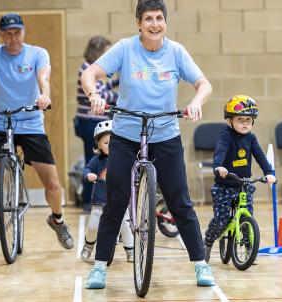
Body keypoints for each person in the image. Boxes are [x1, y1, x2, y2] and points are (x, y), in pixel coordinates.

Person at [81, 0, 215, 289]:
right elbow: (88, 74)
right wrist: (94, 95)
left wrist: (194, 103)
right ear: (138, 24)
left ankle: (201, 264)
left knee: (180, 201)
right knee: (115, 201)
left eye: (159, 18)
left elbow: (204, 84)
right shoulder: (125, 48)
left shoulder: (176, 52)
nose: (154, 24)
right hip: (127, 134)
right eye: (148, 19)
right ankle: (100, 267)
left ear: (165, 21)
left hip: (165, 133)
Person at [0, 13, 73, 253]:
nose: (13, 38)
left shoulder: (37, 54)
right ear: (1, 35)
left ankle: (57, 220)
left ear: (24, 32)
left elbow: (44, 78)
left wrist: (44, 96)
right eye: (8, 33)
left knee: (52, 183)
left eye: (17, 32)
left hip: (31, 122)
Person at [203, 95, 276, 261]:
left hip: (244, 184)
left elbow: (260, 156)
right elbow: (220, 151)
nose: (244, 123)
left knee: (247, 216)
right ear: (230, 121)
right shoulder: (226, 135)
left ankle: (249, 249)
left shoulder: (251, 138)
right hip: (225, 185)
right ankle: (207, 242)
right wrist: (218, 166)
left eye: (248, 120)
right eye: (240, 119)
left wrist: (269, 172)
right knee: (221, 221)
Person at [75, 36, 119, 211]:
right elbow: (102, 95)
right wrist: (125, 97)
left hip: (93, 121)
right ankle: (88, 200)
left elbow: (104, 88)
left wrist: (117, 82)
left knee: (98, 159)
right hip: (90, 121)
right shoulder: (86, 69)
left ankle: (96, 198)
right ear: (97, 51)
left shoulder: (93, 69)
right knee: (92, 161)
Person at [80, 120, 134, 263]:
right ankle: (88, 246)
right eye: (106, 143)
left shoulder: (124, 159)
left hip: (120, 201)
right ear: (99, 144)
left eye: (114, 142)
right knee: (92, 227)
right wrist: (88, 175)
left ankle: (131, 250)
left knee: (125, 226)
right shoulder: (97, 160)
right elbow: (86, 170)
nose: (110, 146)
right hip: (100, 201)